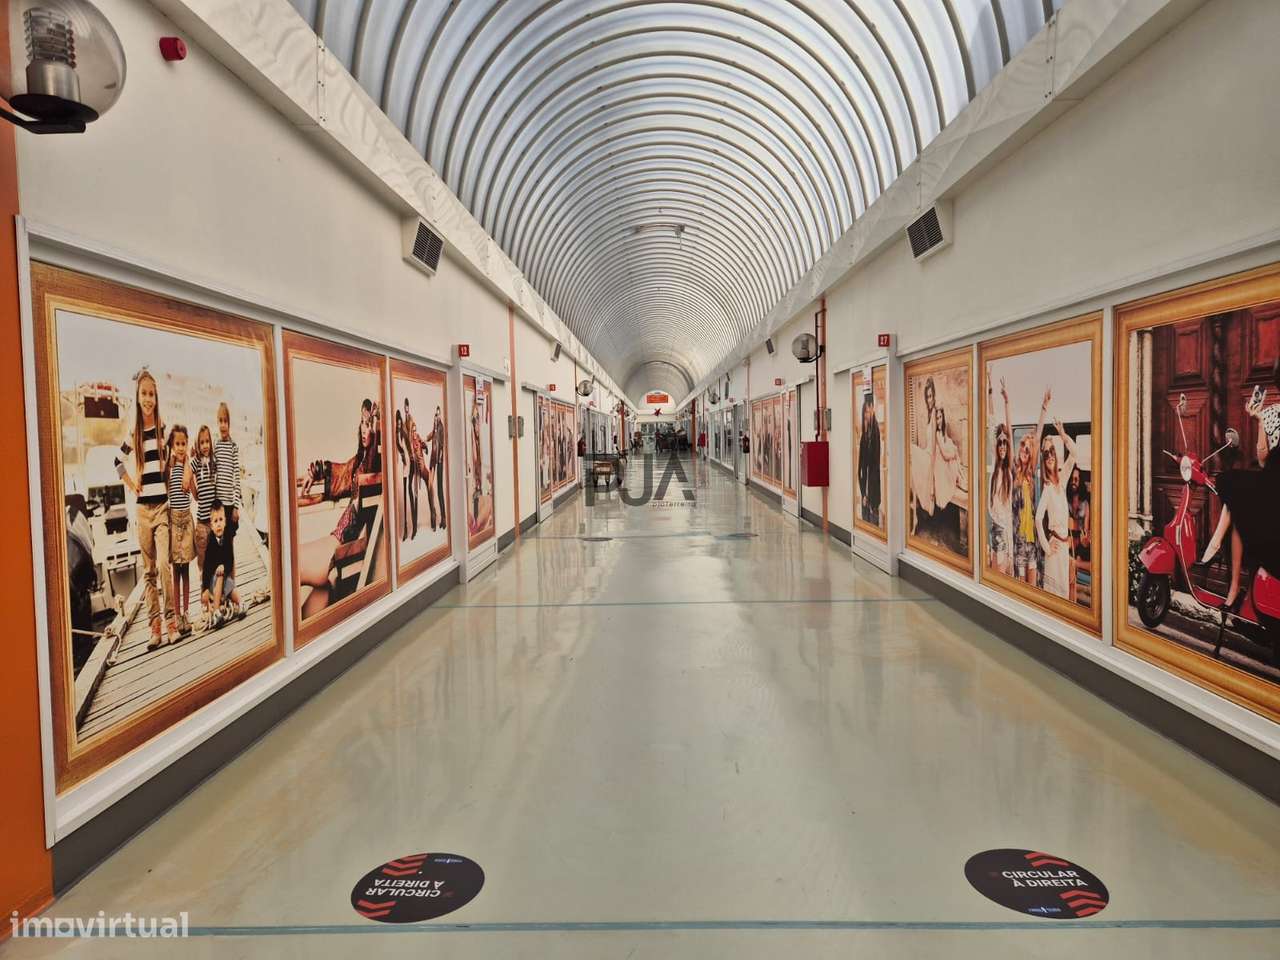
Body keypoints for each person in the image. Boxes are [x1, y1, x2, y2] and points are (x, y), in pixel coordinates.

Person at [298, 398, 382, 615]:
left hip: (341, 548)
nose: (364, 429)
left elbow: (366, 465)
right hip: (340, 544)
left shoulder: (373, 465)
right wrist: (315, 471)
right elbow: (340, 473)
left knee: (288, 562)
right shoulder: (359, 463)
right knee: (316, 604)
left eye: (369, 424)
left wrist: (377, 424)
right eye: (362, 423)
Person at [1198, 391, 1280, 610]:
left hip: (1274, 492)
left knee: (1235, 492)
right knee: (1236, 503)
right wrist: (1260, 420)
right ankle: (1233, 589)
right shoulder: (1273, 413)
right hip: (1271, 484)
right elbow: (1263, 460)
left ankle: (1214, 547)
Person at [115, 368, 177, 650]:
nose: (148, 399)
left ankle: (171, 622)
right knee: (149, 570)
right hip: (142, 511)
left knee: (163, 565)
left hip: (162, 507)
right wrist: (131, 483)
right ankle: (155, 628)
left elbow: (174, 460)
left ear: (156, 397)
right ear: (138, 397)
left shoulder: (163, 430)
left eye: (152, 394)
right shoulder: (134, 434)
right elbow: (117, 462)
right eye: (144, 394)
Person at [1011, 389, 1051, 584]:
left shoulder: (1030, 474)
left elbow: (1039, 434)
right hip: (1019, 540)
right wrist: (1004, 401)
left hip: (1031, 540)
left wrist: (1044, 408)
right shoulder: (1015, 472)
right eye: (1023, 447)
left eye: (1028, 449)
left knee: (1032, 585)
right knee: (1021, 587)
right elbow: (1006, 434)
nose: (1025, 451)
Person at [1035, 420, 1078, 599]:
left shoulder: (1063, 479)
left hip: (1064, 547)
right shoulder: (1047, 488)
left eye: (1052, 451)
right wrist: (1046, 546)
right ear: (1044, 460)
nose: (1050, 456)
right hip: (1054, 548)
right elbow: (1038, 519)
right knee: (1053, 596)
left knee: (1065, 595)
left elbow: (1074, 453)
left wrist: (1062, 433)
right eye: (1046, 454)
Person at [166, 424, 195, 639]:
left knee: (186, 570)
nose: (181, 447)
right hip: (173, 521)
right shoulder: (169, 466)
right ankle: (177, 615)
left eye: (183, 443)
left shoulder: (188, 467)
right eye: (177, 444)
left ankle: (186, 612)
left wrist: (191, 475)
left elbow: (194, 493)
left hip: (186, 520)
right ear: (172, 445)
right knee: (176, 570)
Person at [987, 376, 1014, 575]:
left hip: (1005, 530)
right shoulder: (996, 470)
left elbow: (1009, 431)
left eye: (1005, 443)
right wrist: (990, 391)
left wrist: (1006, 401)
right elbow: (991, 422)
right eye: (1000, 443)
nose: (1003, 446)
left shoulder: (1008, 471)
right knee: (996, 572)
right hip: (996, 528)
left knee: (1002, 573)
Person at [201, 499, 243, 627]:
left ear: (225, 521)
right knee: (219, 575)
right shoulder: (211, 543)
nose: (218, 524)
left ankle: (241, 603)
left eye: (220, 520)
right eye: (215, 521)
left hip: (224, 580)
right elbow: (206, 568)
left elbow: (230, 560)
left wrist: (225, 567)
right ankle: (216, 611)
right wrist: (205, 589)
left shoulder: (227, 538)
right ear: (211, 525)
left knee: (230, 586)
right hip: (214, 583)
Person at [189, 424, 218, 598]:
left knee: (216, 560)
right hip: (201, 523)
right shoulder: (196, 462)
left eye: (207, 441)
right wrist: (194, 492)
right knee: (203, 562)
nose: (205, 445)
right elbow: (187, 474)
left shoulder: (214, 461)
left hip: (215, 521)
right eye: (202, 442)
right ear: (197, 445)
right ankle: (205, 597)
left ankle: (217, 595)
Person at [214, 402, 243, 533]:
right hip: (218, 504)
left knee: (230, 538)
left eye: (225, 421)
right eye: (220, 421)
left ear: (229, 423)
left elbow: (236, 476)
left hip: (230, 504)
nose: (223, 425)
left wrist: (236, 506)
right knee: (219, 538)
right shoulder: (215, 445)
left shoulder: (233, 446)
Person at [1067, 465, 1091, 604]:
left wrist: (1084, 539)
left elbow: (1085, 528)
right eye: (1072, 479)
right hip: (1068, 538)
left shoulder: (1085, 503)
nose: (1074, 482)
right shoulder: (1066, 500)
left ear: (1080, 481)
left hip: (1081, 540)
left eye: (1076, 479)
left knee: (1083, 550)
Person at [858, 389, 882, 526]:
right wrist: (863, 492)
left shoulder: (874, 431)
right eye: (865, 412)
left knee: (872, 519)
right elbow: (862, 463)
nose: (866, 415)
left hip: (871, 486)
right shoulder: (866, 433)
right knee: (866, 518)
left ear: (872, 408)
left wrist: (867, 494)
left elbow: (873, 463)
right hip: (866, 484)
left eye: (868, 411)